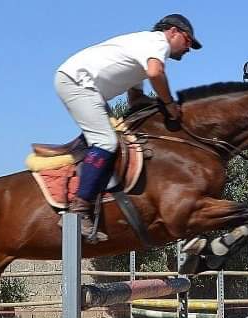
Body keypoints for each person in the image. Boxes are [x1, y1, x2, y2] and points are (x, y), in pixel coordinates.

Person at [55, 13, 202, 241]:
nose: (188, 48)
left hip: (82, 84)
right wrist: (169, 104)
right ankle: (79, 208)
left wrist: (143, 102)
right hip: (77, 82)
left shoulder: (142, 46)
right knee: (106, 141)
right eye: (188, 41)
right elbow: (155, 72)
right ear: (172, 31)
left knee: (117, 136)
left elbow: (136, 92)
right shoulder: (157, 43)